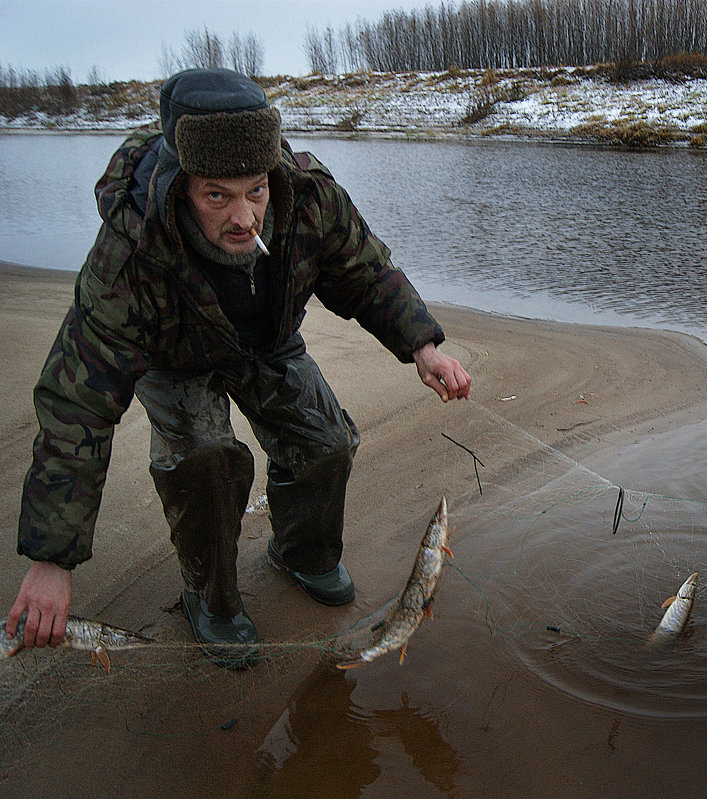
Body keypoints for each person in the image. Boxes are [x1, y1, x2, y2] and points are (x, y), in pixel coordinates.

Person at [5, 68, 470, 667]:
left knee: (327, 443)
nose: (244, 218)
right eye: (217, 195)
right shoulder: (132, 251)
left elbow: (364, 274)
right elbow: (78, 402)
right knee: (207, 461)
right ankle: (212, 598)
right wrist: (51, 559)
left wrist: (422, 345)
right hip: (175, 364)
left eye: (256, 190)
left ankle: (302, 553)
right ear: (181, 183)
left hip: (266, 344)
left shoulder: (307, 194)